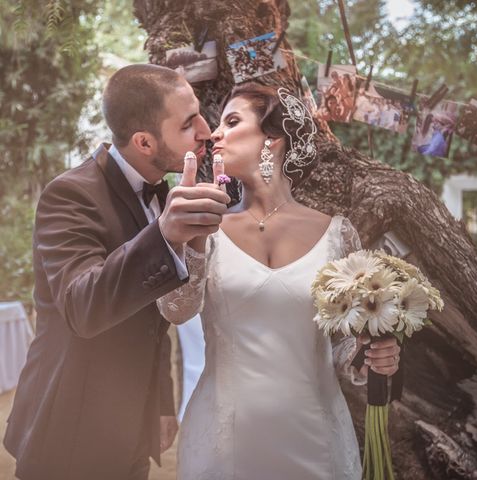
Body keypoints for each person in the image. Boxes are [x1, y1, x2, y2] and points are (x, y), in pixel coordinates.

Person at [157, 83, 401, 479]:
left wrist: (373, 355)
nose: (215, 133)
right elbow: (176, 310)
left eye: (232, 121)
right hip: (225, 440)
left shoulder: (338, 235)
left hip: (315, 439)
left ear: (272, 140)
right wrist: (193, 242)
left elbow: (340, 348)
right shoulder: (206, 229)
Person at [3, 64, 230, 480]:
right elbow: (81, 306)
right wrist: (162, 235)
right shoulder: (70, 194)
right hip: (69, 431)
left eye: (199, 113)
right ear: (144, 142)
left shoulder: (165, 190)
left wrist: (160, 402)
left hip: (131, 427)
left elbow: (153, 318)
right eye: (187, 123)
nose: (205, 129)